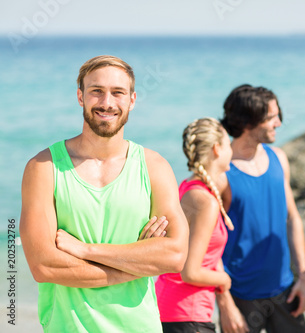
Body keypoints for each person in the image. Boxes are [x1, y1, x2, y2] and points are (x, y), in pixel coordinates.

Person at [19, 55, 189, 332]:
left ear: (132, 100)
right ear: (80, 97)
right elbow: (44, 266)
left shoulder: (154, 167)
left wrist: (87, 250)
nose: (107, 103)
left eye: (118, 93)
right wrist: (137, 264)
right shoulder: (44, 168)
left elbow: (175, 256)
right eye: (96, 91)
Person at [216, 84, 305, 333]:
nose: (278, 123)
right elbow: (207, 247)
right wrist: (225, 304)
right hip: (241, 295)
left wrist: (303, 276)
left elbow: (292, 218)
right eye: (271, 117)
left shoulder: (279, 158)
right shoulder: (222, 174)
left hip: (285, 289)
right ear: (249, 122)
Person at [155, 118, 234, 333]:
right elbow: (190, 272)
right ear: (217, 149)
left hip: (171, 309)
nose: (231, 149)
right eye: (228, 143)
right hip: (187, 315)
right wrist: (225, 280)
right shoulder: (205, 201)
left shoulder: (187, 187)